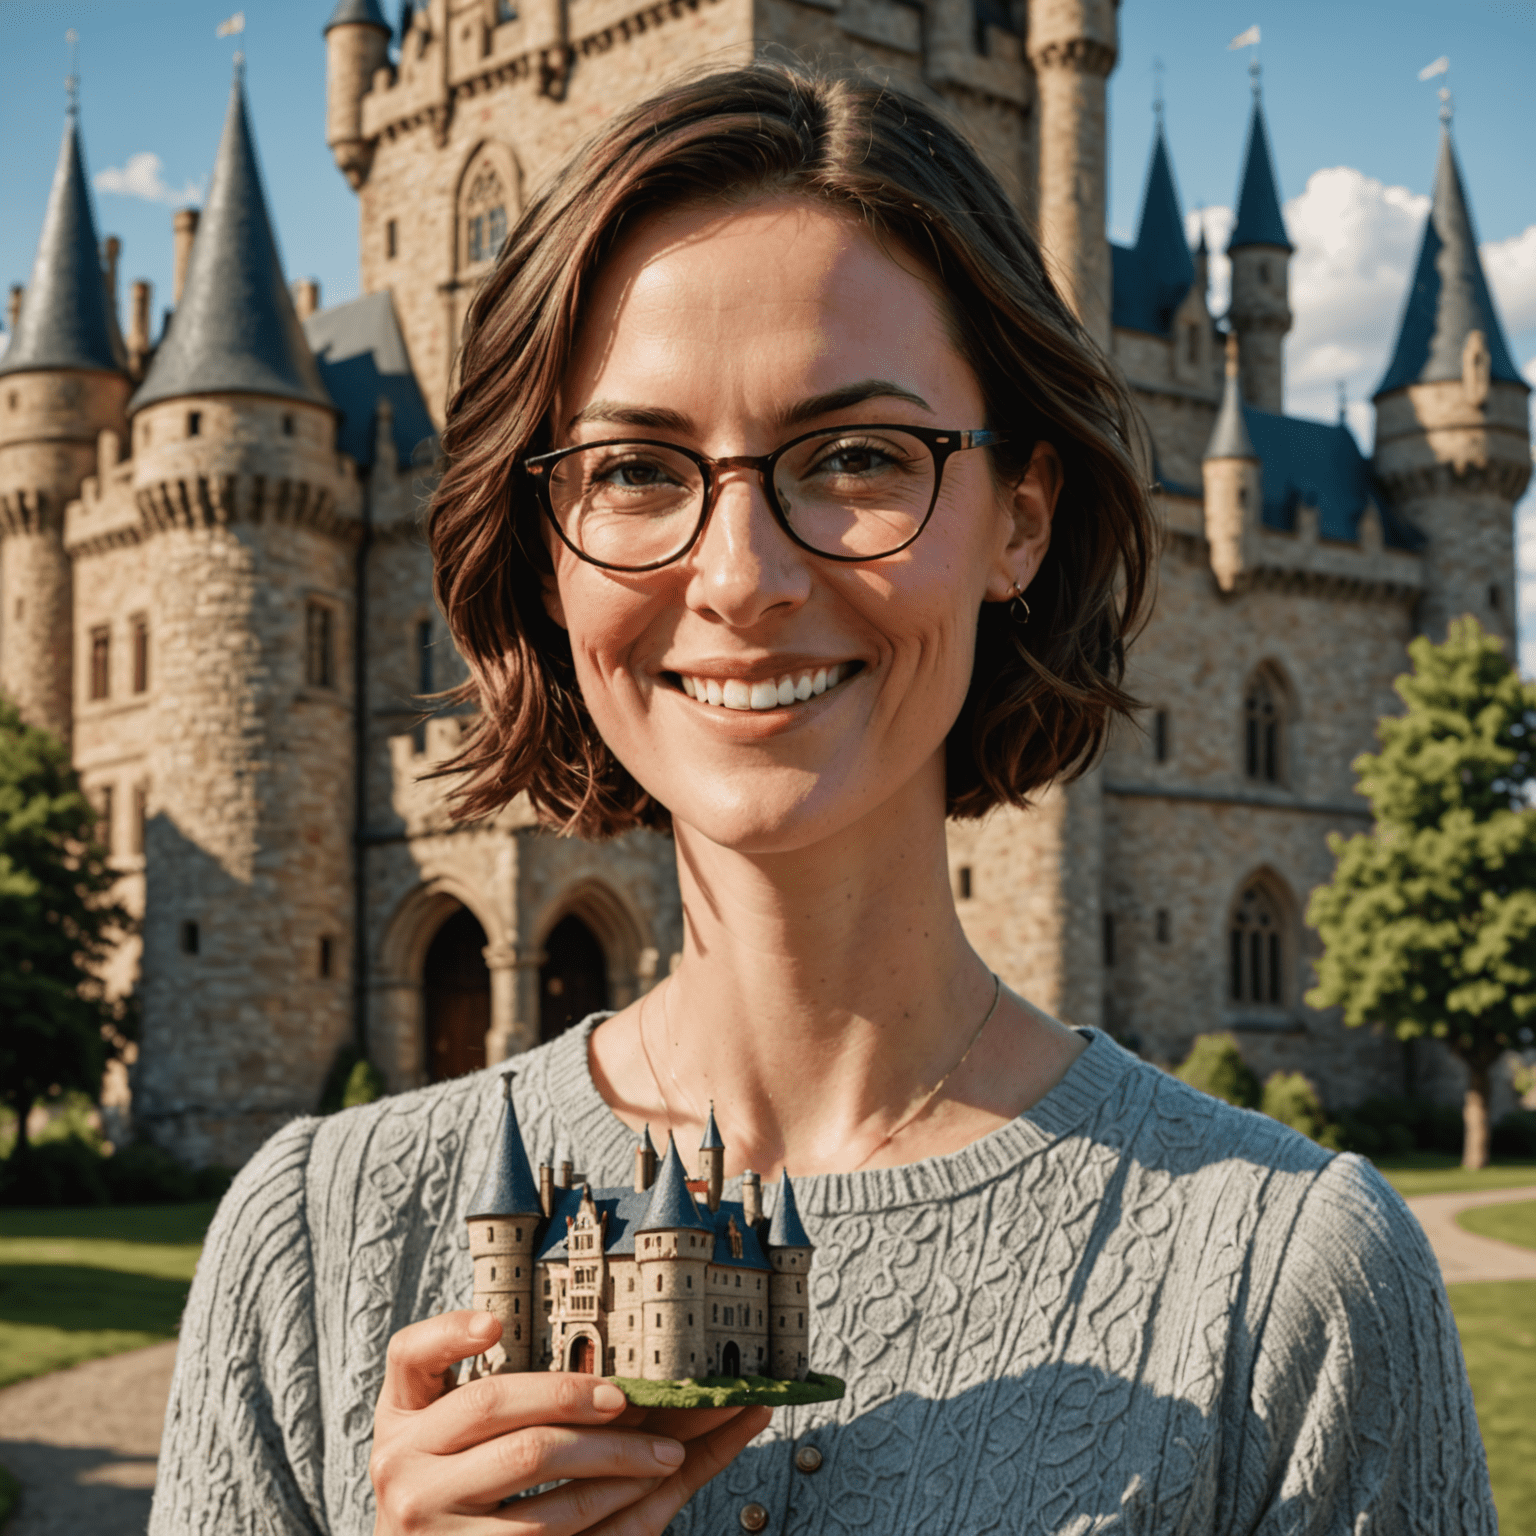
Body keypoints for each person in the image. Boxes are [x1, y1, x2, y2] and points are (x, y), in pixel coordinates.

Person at [150, 64, 1494, 1536]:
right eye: (638, 469)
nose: (741, 575)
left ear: (1020, 521)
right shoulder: (312, 1248)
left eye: (857, 455)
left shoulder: (1289, 1288)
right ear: (549, 547)